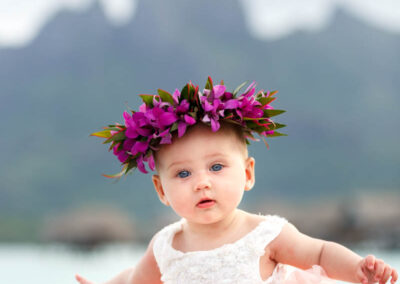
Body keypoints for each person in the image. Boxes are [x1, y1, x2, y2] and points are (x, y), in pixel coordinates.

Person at [77, 78, 398, 284]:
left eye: (216, 167)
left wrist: (357, 269)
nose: (201, 183)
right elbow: (134, 279)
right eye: (183, 174)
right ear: (161, 189)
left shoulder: (265, 234)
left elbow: (320, 254)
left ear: (247, 173)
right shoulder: (165, 246)